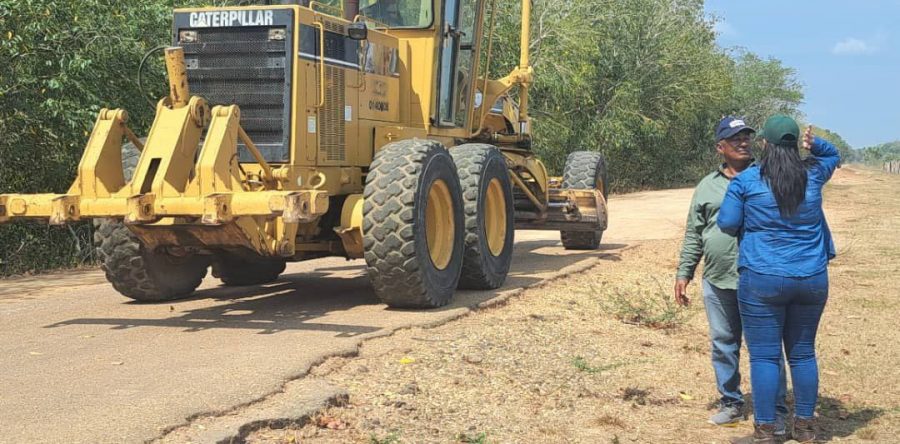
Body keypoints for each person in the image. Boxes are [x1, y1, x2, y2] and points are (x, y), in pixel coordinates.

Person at [718, 115, 840, 443]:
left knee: (764, 356)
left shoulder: (747, 180)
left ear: (765, 144)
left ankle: (766, 430)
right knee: (802, 353)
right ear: (794, 144)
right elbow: (833, 155)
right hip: (811, 278)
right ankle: (806, 427)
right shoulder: (813, 174)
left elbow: (727, 223)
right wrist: (815, 144)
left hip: (762, 278)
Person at [675, 117, 788, 429]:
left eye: (746, 137)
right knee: (723, 342)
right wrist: (684, 272)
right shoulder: (706, 186)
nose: (743, 142)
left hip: (760, 278)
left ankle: (776, 410)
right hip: (717, 278)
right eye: (735, 138)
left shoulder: (767, 177)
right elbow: (694, 232)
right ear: (720, 147)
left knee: (767, 347)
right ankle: (731, 402)